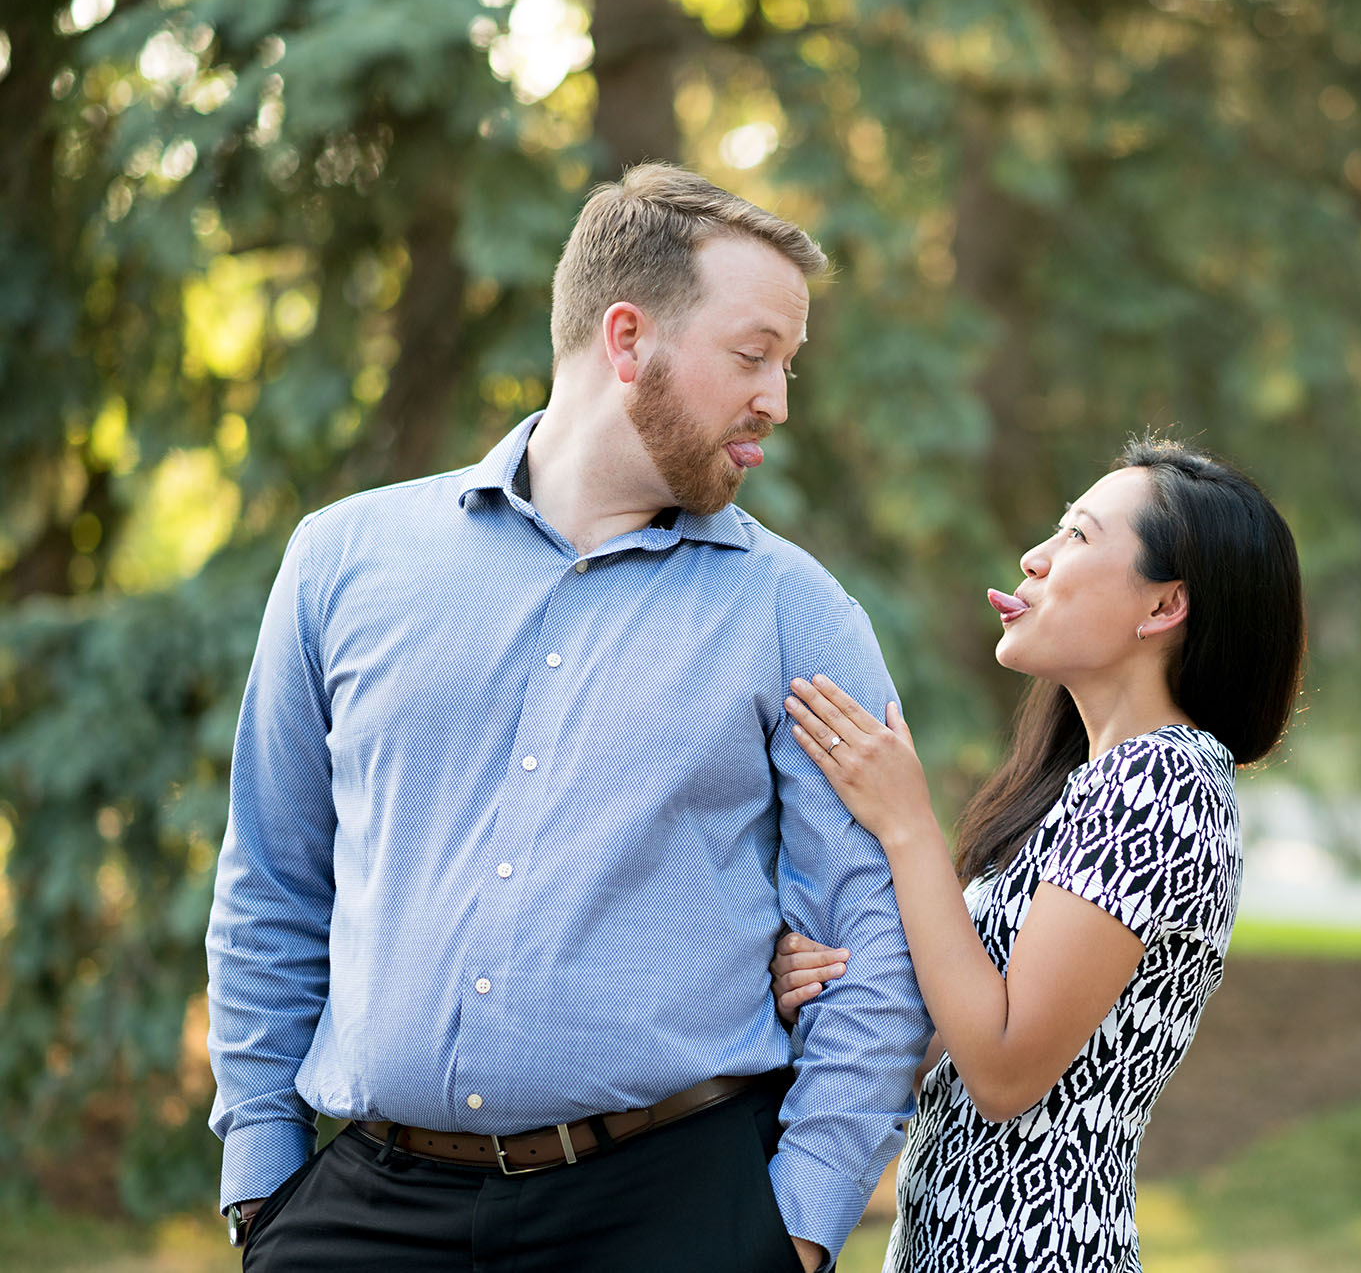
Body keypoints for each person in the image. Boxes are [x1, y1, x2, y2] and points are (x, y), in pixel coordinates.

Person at [205, 163, 930, 1271]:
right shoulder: (341, 561)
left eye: (789, 363)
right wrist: (262, 1175)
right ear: (628, 339)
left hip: (670, 1211)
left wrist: (799, 1223)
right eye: (753, 355)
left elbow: (870, 942)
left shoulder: (798, 613)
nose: (778, 400)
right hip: (364, 1212)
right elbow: (272, 878)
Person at [772, 440, 1304, 1272]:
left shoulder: (1161, 780)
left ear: (1164, 606)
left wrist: (907, 821)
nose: (1035, 556)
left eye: (1080, 536)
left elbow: (1006, 1070)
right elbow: (961, 1038)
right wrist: (832, 983)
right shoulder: (1093, 787)